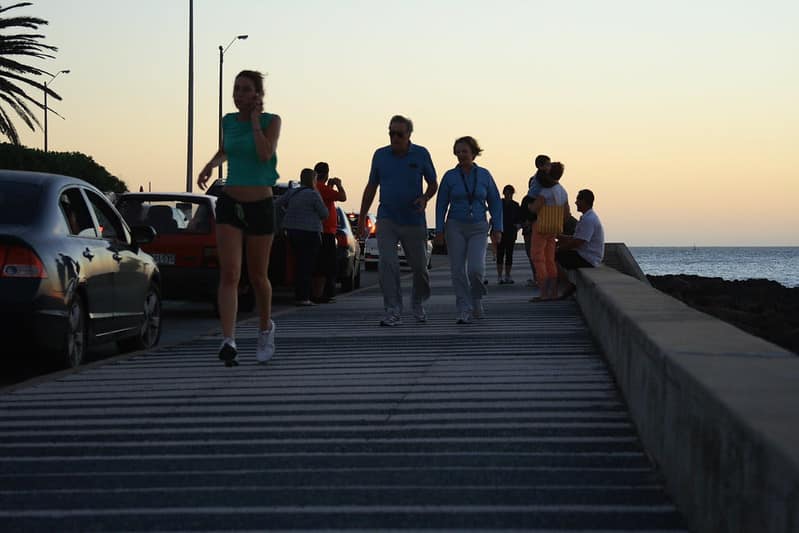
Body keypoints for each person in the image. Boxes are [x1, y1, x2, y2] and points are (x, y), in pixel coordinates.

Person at [197, 69, 281, 367]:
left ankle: (264, 329)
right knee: (231, 273)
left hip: (261, 204)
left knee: (258, 277)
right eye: (236, 89)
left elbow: (263, 154)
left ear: (258, 94)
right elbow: (226, 150)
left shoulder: (272, 121)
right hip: (231, 202)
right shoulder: (228, 121)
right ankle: (229, 339)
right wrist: (210, 164)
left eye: (245, 89)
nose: (238, 94)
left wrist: (256, 122)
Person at [358, 115, 437, 326]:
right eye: (391, 133)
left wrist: (425, 198)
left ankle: (418, 301)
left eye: (399, 134)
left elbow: (433, 183)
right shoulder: (380, 155)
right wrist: (362, 216)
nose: (394, 137)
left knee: (420, 267)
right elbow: (371, 187)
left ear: (409, 135)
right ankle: (392, 309)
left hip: (413, 219)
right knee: (387, 264)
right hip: (387, 218)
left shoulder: (421, 154)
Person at [434, 136, 502, 323]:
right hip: (455, 225)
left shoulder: (484, 175)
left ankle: (477, 299)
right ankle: (464, 307)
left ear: (473, 153)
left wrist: (498, 228)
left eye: (464, 151)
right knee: (457, 270)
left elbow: (495, 201)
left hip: (479, 226)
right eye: (458, 152)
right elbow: (441, 204)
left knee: (475, 269)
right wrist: (439, 230)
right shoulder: (450, 176)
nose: (461, 155)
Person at [276, 168, 329, 306]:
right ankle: (304, 297)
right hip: (310, 232)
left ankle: (299, 294)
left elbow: (276, 204)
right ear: (313, 179)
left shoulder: (293, 192)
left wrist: (288, 213)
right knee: (307, 265)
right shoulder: (313, 194)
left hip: (293, 232)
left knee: (298, 264)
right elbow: (324, 214)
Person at [527, 162, 570, 301]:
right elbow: (567, 213)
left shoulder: (546, 191)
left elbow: (534, 208)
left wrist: (529, 206)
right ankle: (554, 292)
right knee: (550, 259)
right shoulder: (562, 191)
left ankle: (543, 293)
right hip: (554, 228)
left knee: (538, 257)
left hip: (541, 227)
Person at [556, 189, 605, 298]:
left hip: (588, 258)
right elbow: (575, 238)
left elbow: (578, 242)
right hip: (585, 255)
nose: (576, 202)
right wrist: (558, 236)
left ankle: (568, 285)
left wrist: (559, 248)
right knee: (555, 253)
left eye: (578, 199)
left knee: (553, 256)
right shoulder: (586, 217)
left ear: (585, 201)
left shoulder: (589, 219)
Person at [312, 162, 346, 303]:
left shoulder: (317, 188)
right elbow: (342, 197)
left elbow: (327, 198)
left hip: (320, 231)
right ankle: (325, 294)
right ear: (326, 174)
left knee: (320, 263)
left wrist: (330, 186)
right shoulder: (322, 188)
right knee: (328, 265)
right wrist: (338, 184)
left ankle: (319, 293)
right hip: (326, 232)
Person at [521, 154, 551, 287]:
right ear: (541, 166)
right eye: (548, 165)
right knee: (536, 252)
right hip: (531, 202)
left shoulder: (538, 177)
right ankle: (540, 278)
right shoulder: (541, 176)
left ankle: (539, 277)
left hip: (531, 203)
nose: (550, 167)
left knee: (536, 251)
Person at [496, 185, 520, 284]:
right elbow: (495, 216)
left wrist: (517, 227)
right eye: (506, 193)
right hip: (500, 232)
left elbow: (519, 218)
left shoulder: (515, 205)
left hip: (511, 232)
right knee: (500, 254)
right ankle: (499, 276)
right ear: (504, 193)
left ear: (512, 194)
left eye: (510, 193)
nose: (508, 195)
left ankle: (507, 276)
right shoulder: (499, 203)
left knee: (509, 255)